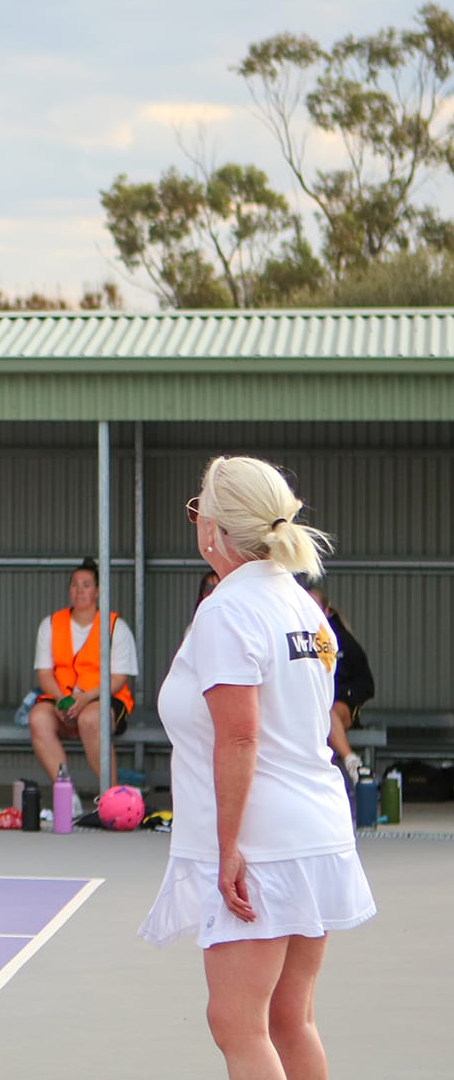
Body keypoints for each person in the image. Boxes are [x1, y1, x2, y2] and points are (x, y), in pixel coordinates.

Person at [140, 456, 375, 1078]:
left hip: (262, 838)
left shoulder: (227, 610)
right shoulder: (300, 604)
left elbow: (239, 736)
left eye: (197, 509)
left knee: (237, 1023)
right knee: (290, 1019)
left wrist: (225, 849)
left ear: (213, 528)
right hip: (315, 825)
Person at [27, 557, 137, 816]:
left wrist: (85, 698)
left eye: (86, 585)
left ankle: (112, 796)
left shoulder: (115, 626)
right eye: (75, 585)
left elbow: (119, 678)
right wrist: (62, 700)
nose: (80, 590)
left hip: (104, 699)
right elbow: (44, 673)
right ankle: (67, 794)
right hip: (60, 698)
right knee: (37, 719)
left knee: (90, 718)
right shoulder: (51, 624)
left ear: (97, 591)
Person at [305, 581, 376, 786]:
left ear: (326, 612)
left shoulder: (341, 640)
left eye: (315, 608)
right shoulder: (296, 637)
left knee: (327, 714)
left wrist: (345, 695)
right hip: (308, 707)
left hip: (342, 704)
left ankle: (352, 763)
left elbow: (366, 683)